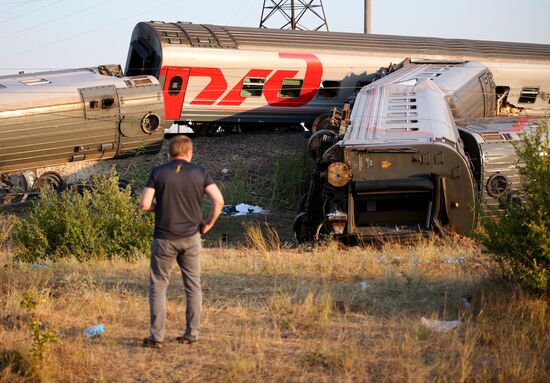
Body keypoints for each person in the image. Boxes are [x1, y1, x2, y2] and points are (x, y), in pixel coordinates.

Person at [139, 135, 224, 348]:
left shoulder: (158, 172)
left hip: (164, 239)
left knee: (159, 286)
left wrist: (161, 207)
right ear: (189, 153)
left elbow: (144, 204)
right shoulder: (200, 173)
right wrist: (209, 223)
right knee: (193, 286)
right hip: (191, 237)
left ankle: (157, 338)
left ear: (169, 153)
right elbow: (219, 200)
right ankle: (191, 334)